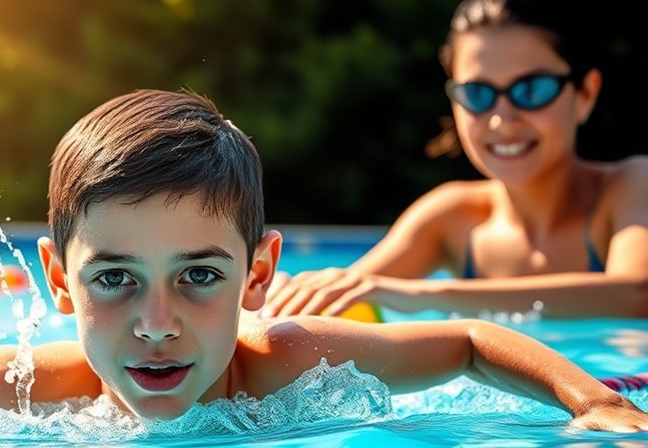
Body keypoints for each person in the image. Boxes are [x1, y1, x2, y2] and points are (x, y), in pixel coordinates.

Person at [0, 89, 646, 432]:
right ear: (58, 279)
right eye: (113, 278)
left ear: (256, 273)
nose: (155, 320)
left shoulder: (284, 359)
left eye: (198, 275)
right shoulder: (22, 387)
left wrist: (594, 402)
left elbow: (470, 339)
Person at [261, 0, 648, 320]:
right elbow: (344, 291)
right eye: (478, 94)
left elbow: (638, 294)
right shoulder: (451, 218)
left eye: (531, 89)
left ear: (585, 93)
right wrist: (276, 299)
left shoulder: (631, 185)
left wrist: (428, 295)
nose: (502, 119)